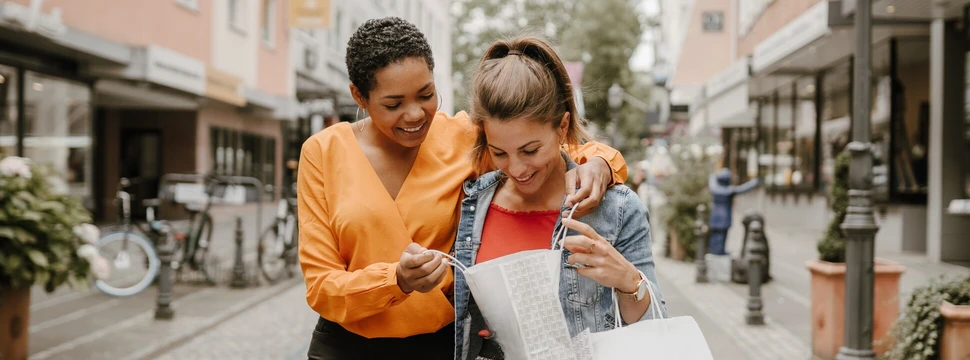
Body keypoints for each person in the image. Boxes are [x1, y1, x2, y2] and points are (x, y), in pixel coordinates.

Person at [297, 18, 628, 360]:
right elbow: (321, 286)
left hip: (442, 344)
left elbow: (551, 148)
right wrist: (396, 280)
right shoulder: (322, 153)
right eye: (393, 104)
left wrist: (602, 164)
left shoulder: (462, 137)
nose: (414, 115)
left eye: (426, 94)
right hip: (344, 346)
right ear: (359, 96)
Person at [451, 36, 666, 360]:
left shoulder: (617, 210)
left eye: (530, 150)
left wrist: (628, 282)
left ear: (562, 125)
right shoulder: (472, 203)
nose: (517, 168)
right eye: (500, 153)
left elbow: (655, 329)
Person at [707, 168, 760, 255]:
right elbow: (743, 188)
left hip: (715, 216)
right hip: (724, 216)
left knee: (714, 235)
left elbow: (711, 180)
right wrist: (754, 182)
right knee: (723, 236)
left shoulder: (715, 188)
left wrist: (713, 175)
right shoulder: (729, 190)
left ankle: (714, 250)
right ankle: (720, 251)